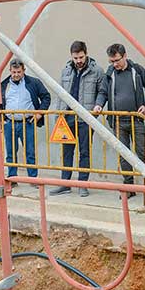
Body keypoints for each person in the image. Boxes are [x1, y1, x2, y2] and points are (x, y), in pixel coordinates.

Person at [93, 43, 145, 194]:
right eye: (111, 61)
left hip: (137, 120)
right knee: (123, 155)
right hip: (118, 122)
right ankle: (129, 187)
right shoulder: (110, 73)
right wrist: (99, 105)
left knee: (143, 153)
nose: (114, 64)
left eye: (117, 60)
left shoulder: (137, 70)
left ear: (125, 56)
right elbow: (103, 92)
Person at [50, 41, 105, 197]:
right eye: (75, 58)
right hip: (67, 117)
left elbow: (102, 92)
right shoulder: (66, 71)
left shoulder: (97, 71)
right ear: (71, 56)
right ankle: (65, 184)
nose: (78, 61)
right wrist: (58, 115)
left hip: (85, 118)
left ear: (86, 54)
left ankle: (82, 184)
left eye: (81, 57)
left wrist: (98, 106)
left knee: (84, 152)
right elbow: (60, 94)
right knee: (66, 152)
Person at [0, 58, 51, 183]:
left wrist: (39, 113)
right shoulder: (3, 85)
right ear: (10, 71)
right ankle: (12, 179)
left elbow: (46, 97)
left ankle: (32, 179)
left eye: (19, 72)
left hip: (27, 122)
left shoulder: (33, 83)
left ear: (24, 71)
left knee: (30, 152)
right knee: (11, 152)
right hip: (9, 123)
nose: (16, 75)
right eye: (14, 72)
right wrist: (1, 120)